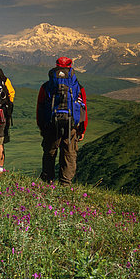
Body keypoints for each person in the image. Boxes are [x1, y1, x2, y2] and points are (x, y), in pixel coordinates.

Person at [36, 56, 88, 186]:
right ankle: (65, 183)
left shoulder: (47, 86)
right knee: (69, 153)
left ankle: (48, 181)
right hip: (71, 125)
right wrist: (82, 129)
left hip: (51, 124)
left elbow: (40, 107)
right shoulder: (78, 87)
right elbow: (83, 108)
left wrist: (42, 126)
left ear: (56, 66)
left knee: (50, 152)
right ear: (71, 67)